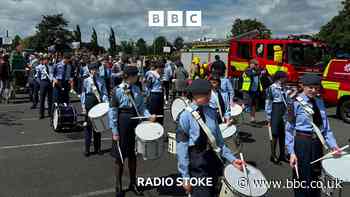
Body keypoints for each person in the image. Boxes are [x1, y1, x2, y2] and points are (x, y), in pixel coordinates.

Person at [176, 79, 244, 197]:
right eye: (205, 93)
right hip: (197, 160)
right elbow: (181, 149)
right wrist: (185, 177)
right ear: (195, 95)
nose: (209, 95)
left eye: (209, 92)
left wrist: (232, 159)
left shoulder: (212, 112)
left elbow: (219, 142)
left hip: (213, 158)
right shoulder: (185, 116)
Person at [286, 74, 341, 197]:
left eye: (316, 88)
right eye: (310, 87)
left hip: (317, 143)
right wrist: (291, 152)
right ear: (303, 86)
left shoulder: (319, 101)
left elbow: (325, 127)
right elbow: (289, 130)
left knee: (316, 175)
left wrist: (334, 145)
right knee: (301, 176)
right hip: (302, 143)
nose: (314, 90)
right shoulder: (295, 103)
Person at [109, 66, 156, 197]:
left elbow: (141, 107)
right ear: (130, 76)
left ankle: (133, 183)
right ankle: (118, 185)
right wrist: (114, 131)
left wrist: (148, 116)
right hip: (122, 123)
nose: (138, 78)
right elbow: (112, 111)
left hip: (135, 124)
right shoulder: (117, 90)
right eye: (136, 76)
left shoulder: (137, 89)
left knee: (133, 155)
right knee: (120, 156)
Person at [81, 63, 109, 157]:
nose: (94, 71)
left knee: (98, 126)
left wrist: (106, 103)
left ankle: (98, 148)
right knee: (88, 126)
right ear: (89, 70)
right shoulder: (86, 80)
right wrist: (83, 105)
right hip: (89, 101)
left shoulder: (101, 80)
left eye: (95, 69)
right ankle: (87, 149)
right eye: (92, 69)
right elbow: (83, 93)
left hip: (98, 102)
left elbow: (104, 92)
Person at [265, 71, 289, 164]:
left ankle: (282, 155)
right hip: (275, 109)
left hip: (284, 109)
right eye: (284, 77)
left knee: (283, 133)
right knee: (274, 133)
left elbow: (288, 98)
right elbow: (268, 102)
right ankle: (273, 155)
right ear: (279, 78)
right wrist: (268, 116)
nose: (286, 79)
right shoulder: (271, 88)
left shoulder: (285, 87)